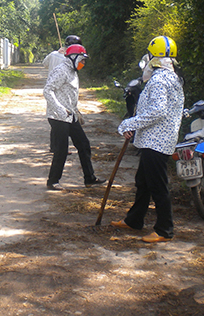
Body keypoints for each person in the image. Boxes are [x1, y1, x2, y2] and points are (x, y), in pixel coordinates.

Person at [111, 36, 184, 243]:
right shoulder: (172, 77)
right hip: (155, 139)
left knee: (157, 185)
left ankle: (164, 229)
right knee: (142, 182)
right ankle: (134, 220)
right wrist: (136, 126)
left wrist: (130, 123)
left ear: (153, 56)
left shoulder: (160, 79)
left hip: (156, 142)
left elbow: (158, 111)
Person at [43, 44, 105, 191]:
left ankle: (89, 178)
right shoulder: (61, 71)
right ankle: (52, 181)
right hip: (58, 117)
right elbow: (48, 90)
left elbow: (70, 95)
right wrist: (59, 109)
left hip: (70, 115)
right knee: (61, 150)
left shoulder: (73, 72)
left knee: (83, 144)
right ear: (74, 58)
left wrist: (76, 112)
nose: (83, 64)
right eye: (82, 60)